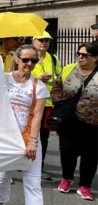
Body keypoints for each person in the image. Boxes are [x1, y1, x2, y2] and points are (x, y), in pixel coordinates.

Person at [0, 44, 53, 205]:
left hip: (28, 138)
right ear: (16, 59)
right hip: (6, 139)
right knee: (3, 176)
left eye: (33, 61)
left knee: (33, 182)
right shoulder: (3, 80)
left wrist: (33, 141)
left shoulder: (39, 86)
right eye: (25, 59)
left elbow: (37, 117)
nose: (29, 64)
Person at [51, 42, 98, 200]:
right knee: (67, 151)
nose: (80, 57)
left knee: (91, 156)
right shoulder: (68, 69)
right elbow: (56, 88)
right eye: (79, 53)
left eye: (85, 55)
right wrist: (61, 104)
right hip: (69, 121)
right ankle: (66, 178)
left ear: (96, 57)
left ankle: (85, 186)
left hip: (93, 123)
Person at [30, 31, 62, 181]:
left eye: (46, 41)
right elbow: (20, 77)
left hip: (47, 104)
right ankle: (18, 163)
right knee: (24, 135)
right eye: (40, 40)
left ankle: (39, 168)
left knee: (43, 137)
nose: (44, 43)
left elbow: (60, 79)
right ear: (33, 41)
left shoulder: (54, 59)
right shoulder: (28, 57)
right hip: (28, 103)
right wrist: (38, 78)